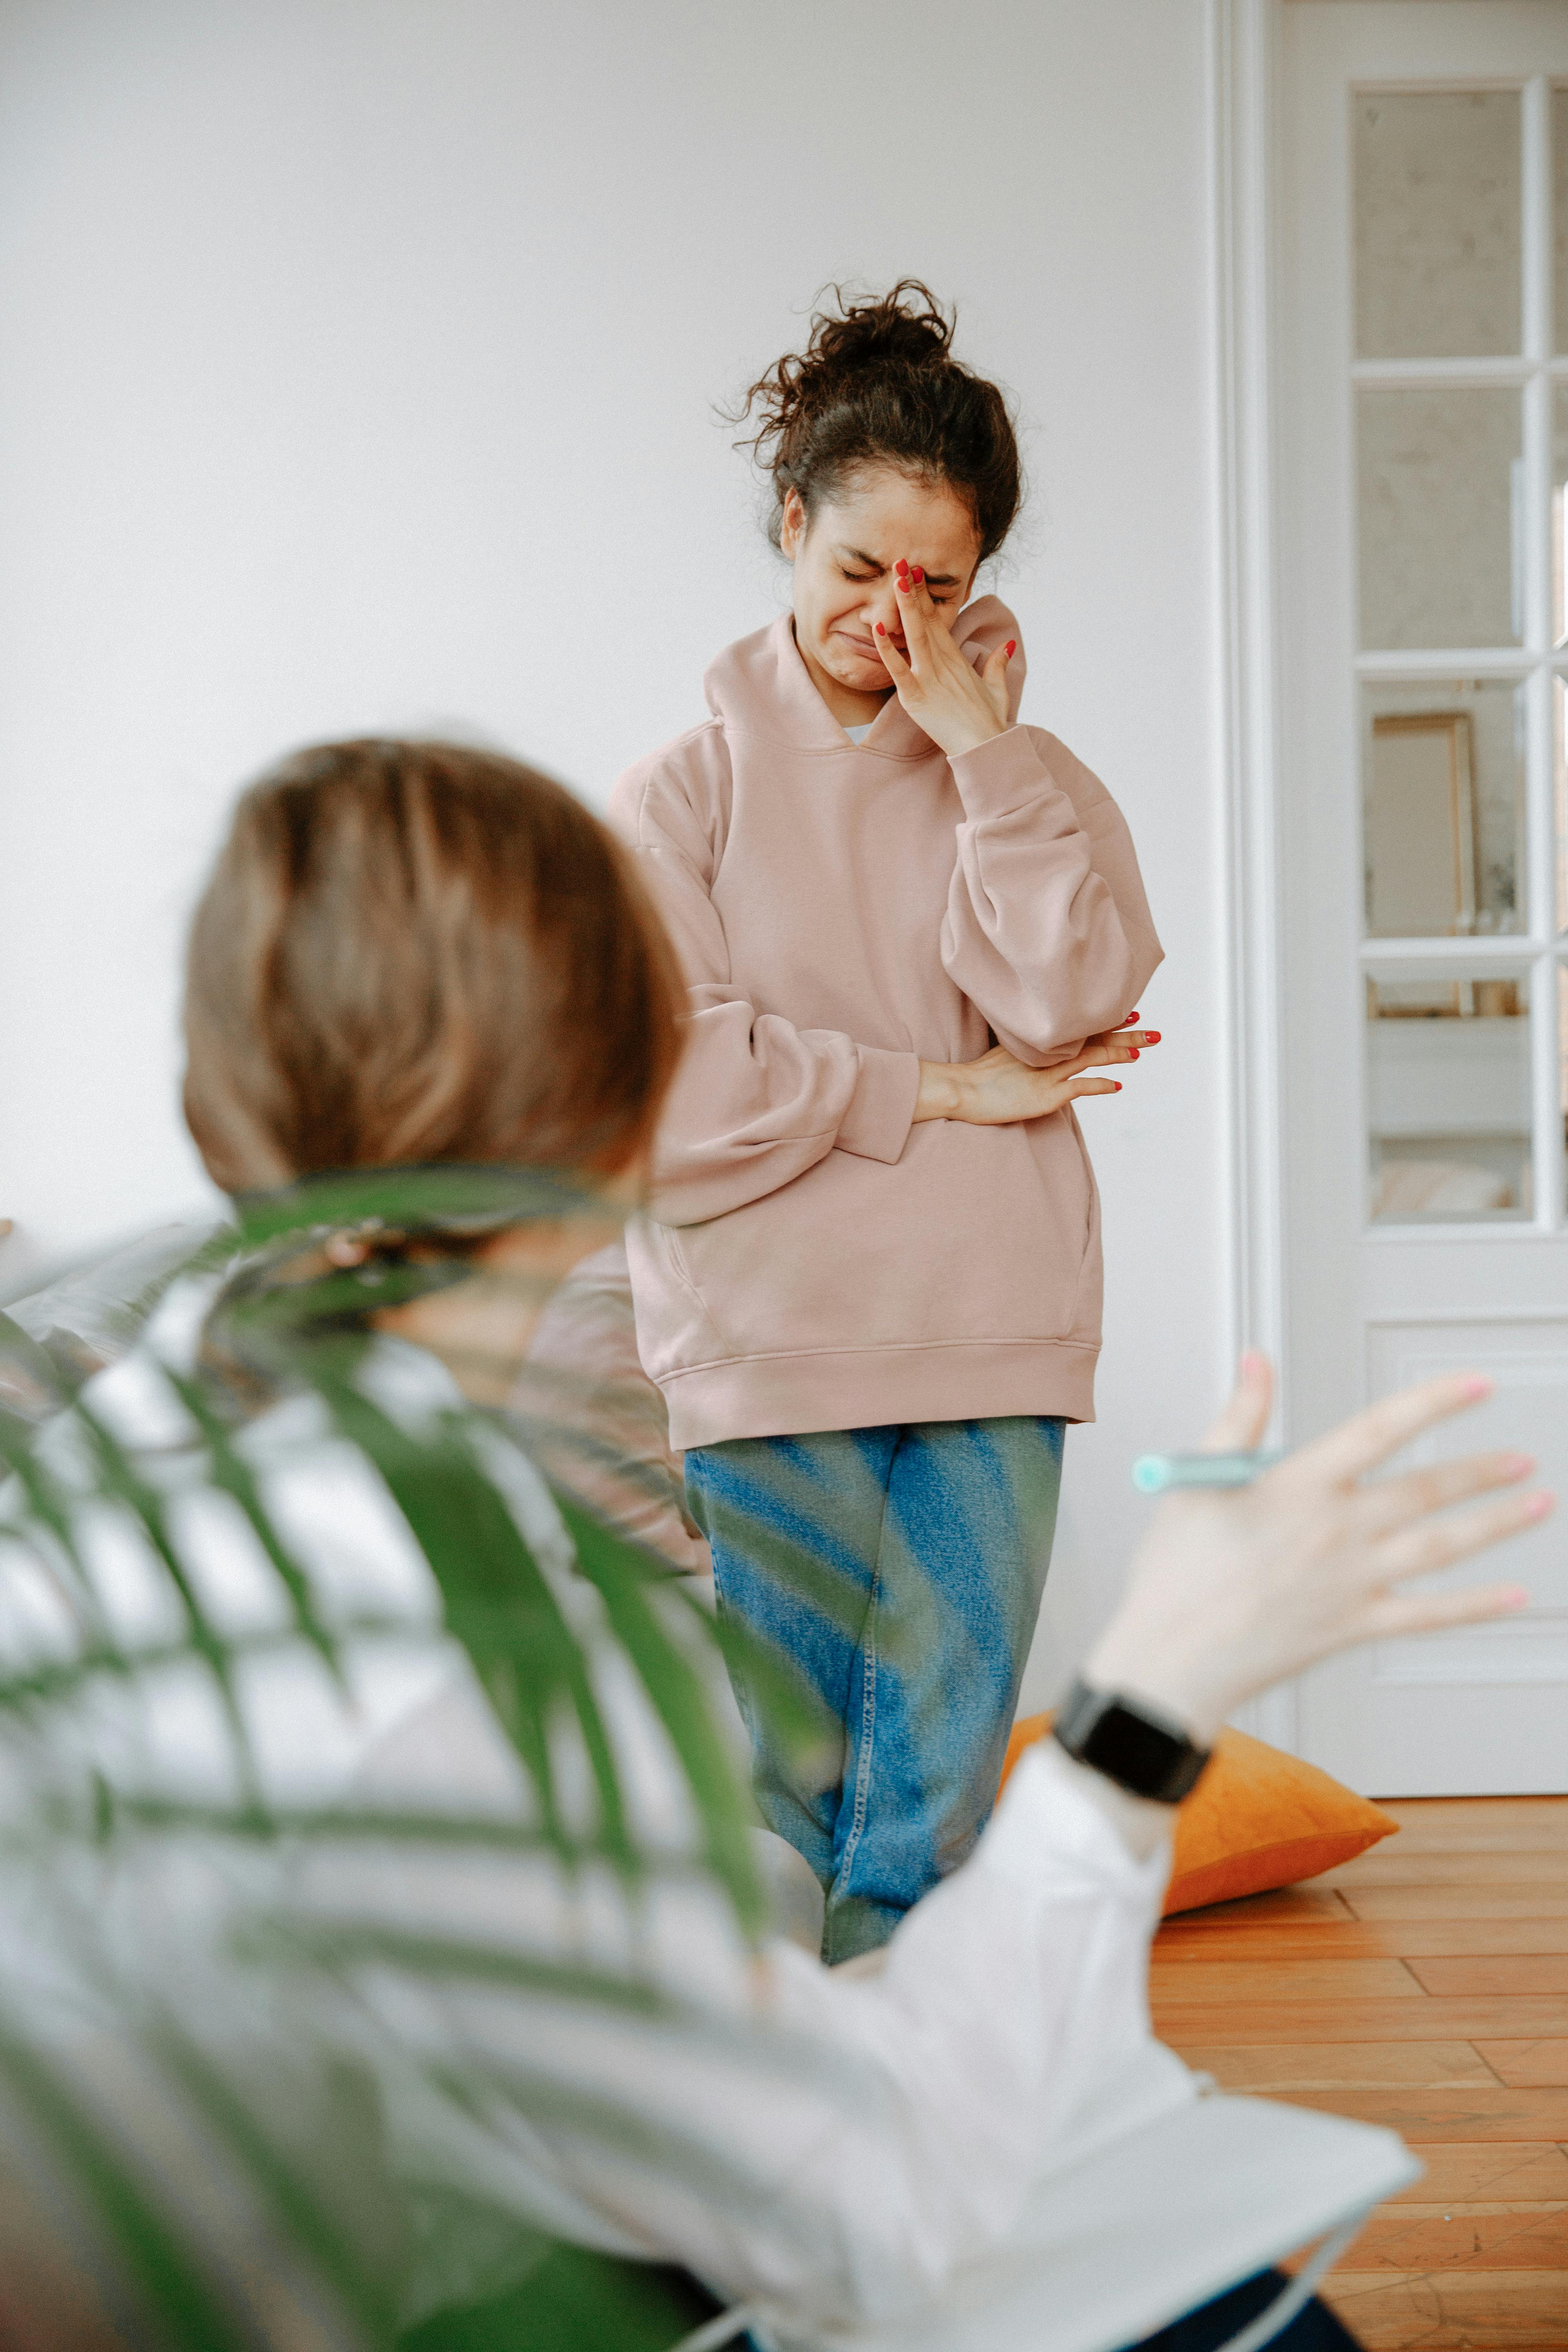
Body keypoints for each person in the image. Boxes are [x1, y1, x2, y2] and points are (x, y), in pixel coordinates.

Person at [6, 736, 1540, 2352]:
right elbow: (874, 2220)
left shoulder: (151, 1451)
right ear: (626, 1118)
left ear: (223, 1102)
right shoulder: (446, 1675)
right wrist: (1149, 1705)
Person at [610, 283, 1165, 1960]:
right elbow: (669, 1098)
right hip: (768, 1345)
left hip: (995, 1329)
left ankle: (902, 2157)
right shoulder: (676, 797)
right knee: (804, 1791)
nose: (890, 616)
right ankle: (816, 2168)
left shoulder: (1031, 777)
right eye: (858, 572)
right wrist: (938, 1083)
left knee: (933, 1800)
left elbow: (1072, 1006)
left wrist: (984, 759)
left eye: (936, 582)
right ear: (789, 525)